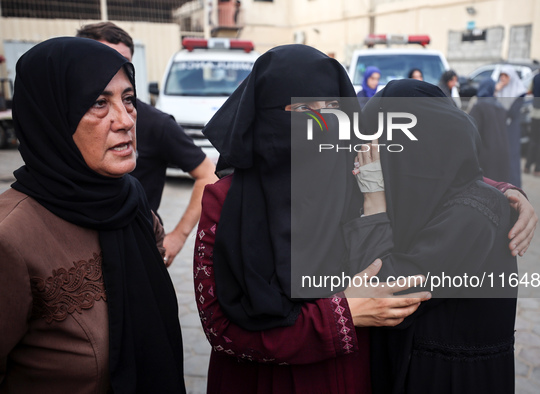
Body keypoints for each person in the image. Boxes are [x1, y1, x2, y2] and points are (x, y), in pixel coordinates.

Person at [194, 44, 431, 394]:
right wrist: (340, 316)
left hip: (339, 379)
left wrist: (508, 194)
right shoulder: (225, 201)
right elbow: (219, 329)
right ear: (264, 113)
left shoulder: (361, 180)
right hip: (255, 382)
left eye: (333, 107)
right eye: (304, 108)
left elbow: (450, 179)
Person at [0, 37, 185, 393]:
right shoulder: (11, 238)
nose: (125, 120)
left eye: (128, 100)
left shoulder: (129, 200)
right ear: (52, 116)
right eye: (99, 103)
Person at [357, 79, 517, 393]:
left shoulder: (476, 210)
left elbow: (386, 294)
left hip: (446, 379)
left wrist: (374, 202)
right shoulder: (422, 198)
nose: (370, 159)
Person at [77, 22, 218, 266]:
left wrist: (178, 237)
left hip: (138, 250)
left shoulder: (155, 122)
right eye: (101, 59)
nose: (123, 122)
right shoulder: (68, 119)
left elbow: (208, 174)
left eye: (121, 62)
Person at [468, 78, 511, 182]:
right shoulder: (500, 107)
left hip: (486, 153)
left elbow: (471, 129)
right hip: (502, 152)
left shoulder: (479, 106)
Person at [495, 65, 528, 187]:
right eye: (501, 75)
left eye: (506, 75)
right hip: (499, 127)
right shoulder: (499, 90)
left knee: (511, 155)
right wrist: (497, 90)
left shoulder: (519, 92)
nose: (503, 78)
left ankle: (513, 185)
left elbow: (512, 112)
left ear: (512, 77)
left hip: (511, 128)